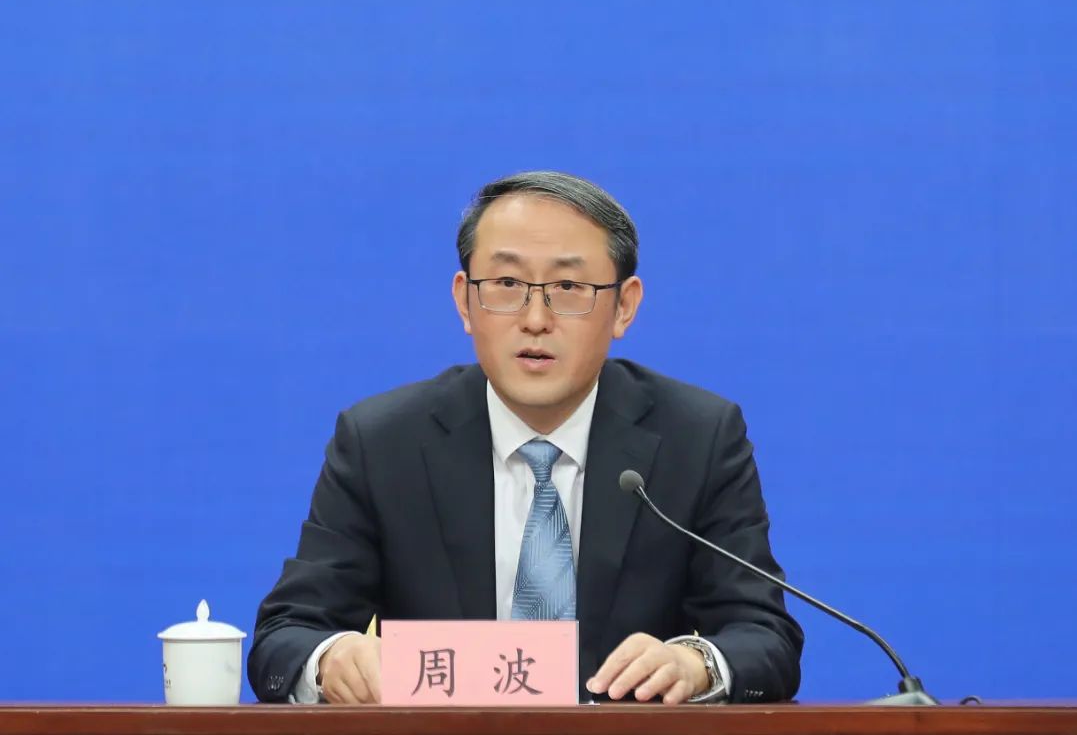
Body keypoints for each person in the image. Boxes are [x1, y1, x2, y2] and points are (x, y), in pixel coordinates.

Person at [248, 171, 803, 705]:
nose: (535, 319)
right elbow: (286, 634)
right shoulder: (383, 442)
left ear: (624, 306)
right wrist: (333, 658)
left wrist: (695, 664)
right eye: (508, 284)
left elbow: (763, 636)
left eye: (569, 287)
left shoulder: (697, 438)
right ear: (465, 301)